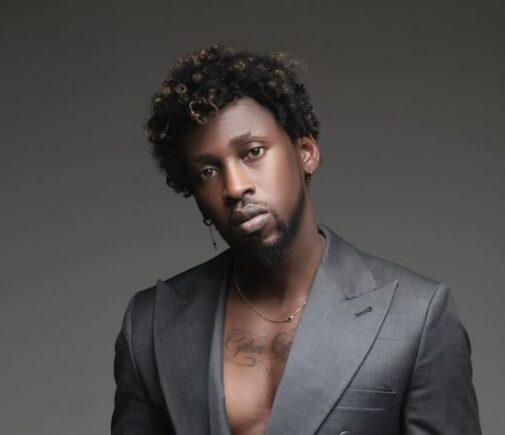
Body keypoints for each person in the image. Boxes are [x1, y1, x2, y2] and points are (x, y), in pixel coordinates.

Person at [111, 44, 482, 435]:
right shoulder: (150, 323)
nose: (234, 187)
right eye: (208, 172)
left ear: (306, 152)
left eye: (253, 152)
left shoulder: (416, 316)